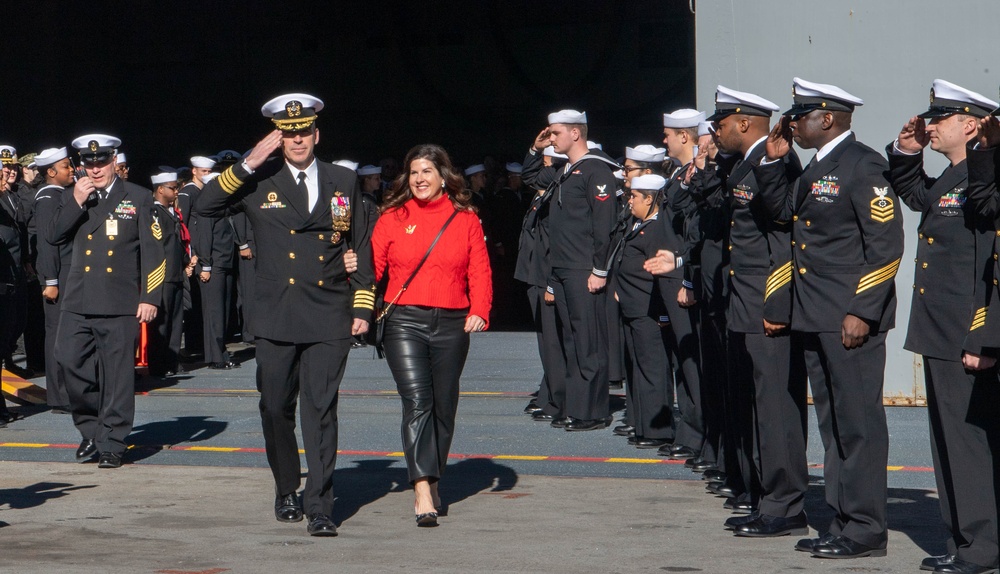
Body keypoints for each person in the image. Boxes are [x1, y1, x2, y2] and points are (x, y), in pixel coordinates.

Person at [194, 93, 375, 537]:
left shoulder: (342, 179)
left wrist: (363, 303)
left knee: (321, 409)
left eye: (303, 131)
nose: (297, 139)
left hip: (329, 310)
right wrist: (250, 161)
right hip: (276, 313)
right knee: (275, 407)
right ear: (278, 137)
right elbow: (204, 206)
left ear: (317, 133)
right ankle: (286, 487)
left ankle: (319, 504)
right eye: (287, 133)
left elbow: (361, 241)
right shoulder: (259, 179)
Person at [757, 78, 903, 559]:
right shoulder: (814, 167)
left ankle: (865, 529)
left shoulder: (863, 165)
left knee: (858, 425)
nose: (793, 123)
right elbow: (781, 215)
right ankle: (842, 521)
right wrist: (776, 162)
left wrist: (863, 310)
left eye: (801, 116)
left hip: (848, 318)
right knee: (834, 426)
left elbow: (886, 245)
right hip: (814, 315)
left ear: (828, 118)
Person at [700, 85, 809, 535]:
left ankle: (785, 506)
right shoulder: (743, 164)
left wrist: (777, 304)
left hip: (766, 303)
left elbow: (782, 241)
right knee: (755, 406)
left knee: (775, 407)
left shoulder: (774, 161)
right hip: (743, 302)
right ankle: (767, 496)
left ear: (744, 123)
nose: (716, 132)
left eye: (722, 124)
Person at [372, 143, 492, 527]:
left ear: (444, 176)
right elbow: (373, 268)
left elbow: (480, 269)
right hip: (403, 320)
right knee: (418, 401)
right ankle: (422, 486)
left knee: (444, 405)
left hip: (453, 323)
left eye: (427, 171)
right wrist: (357, 306)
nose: (419, 179)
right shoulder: (392, 215)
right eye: (414, 172)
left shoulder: (465, 218)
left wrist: (480, 310)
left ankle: (434, 476)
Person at [912, 81, 999, 574]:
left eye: (940, 119)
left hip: (966, 330)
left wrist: (980, 335)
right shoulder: (954, 176)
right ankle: (964, 539)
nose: (931, 126)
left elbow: (987, 263)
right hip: (941, 328)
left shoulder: (983, 176)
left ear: (969, 124)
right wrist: (906, 152)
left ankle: (980, 547)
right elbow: (916, 198)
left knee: (967, 445)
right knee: (948, 441)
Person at [47, 134, 165, 469]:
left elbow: (155, 252)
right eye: (89, 163)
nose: (95, 169)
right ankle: (90, 428)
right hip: (78, 297)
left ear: (114, 161)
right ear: (81, 165)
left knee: (117, 376)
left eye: (101, 162)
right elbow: (53, 234)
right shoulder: (73, 195)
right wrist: (76, 202)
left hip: (119, 298)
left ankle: (113, 440)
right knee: (69, 362)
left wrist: (150, 296)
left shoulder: (138, 197)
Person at [542, 109, 619, 431]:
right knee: (571, 342)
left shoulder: (595, 170)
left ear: (576, 133)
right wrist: (536, 150)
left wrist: (600, 270)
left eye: (555, 133)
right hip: (562, 268)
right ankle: (576, 406)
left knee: (588, 342)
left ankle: (593, 411)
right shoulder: (566, 170)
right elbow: (533, 176)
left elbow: (605, 226)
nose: (550, 139)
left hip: (582, 268)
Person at [608, 173, 675, 449]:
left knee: (653, 371)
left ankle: (658, 430)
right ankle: (642, 424)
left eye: (635, 196)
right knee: (638, 368)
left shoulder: (658, 229)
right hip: (633, 308)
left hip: (649, 311)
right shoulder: (638, 224)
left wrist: (661, 315)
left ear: (650, 199)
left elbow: (662, 278)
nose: (629, 200)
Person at [32, 147, 77, 412]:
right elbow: (47, 242)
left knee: (68, 335)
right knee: (58, 335)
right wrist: (50, 281)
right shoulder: (48, 197)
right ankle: (60, 396)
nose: (71, 170)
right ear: (50, 172)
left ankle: (69, 391)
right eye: (65, 167)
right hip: (58, 275)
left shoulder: (61, 194)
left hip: (68, 273)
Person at [147, 170, 188, 377]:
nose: (176, 192)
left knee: (175, 320)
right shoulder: (154, 213)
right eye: (172, 188)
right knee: (161, 323)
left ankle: (172, 360)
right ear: (160, 189)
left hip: (176, 273)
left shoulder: (171, 212)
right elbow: (157, 245)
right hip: (161, 275)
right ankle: (158, 364)